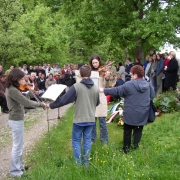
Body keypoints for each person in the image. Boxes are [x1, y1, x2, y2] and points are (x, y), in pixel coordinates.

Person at [45, 65, 100, 165]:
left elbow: (64, 100)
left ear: (80, 74)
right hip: (91, 119)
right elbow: (97, 103)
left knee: (76, 141)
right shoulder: (96, 88)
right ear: (90, 74)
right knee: (87, 141)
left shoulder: (77, 86)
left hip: (79, 119)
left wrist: (51, 105)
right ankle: (86, 163)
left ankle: (78, 164)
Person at [99, 65, 155, 153]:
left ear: (136, 75)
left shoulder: (129, 84)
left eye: (132, 74)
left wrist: (104, 90)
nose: (131, 75)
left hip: (130, 113)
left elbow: (117, 91)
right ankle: (135, 147)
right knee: (138, 130)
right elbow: (152, 96)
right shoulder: (149, 85)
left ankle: (126, 149)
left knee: (127, 131)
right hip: (143, 113)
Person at [5, 68, 46, 178]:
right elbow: (26, 102)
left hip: (17, 119)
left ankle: (19, 165)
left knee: (20, 144)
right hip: (15, 119)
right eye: (22, 79)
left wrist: (29, 91)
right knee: (17, 146)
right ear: (16, 78)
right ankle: (15, 172)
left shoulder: (14, 88)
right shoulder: (12, 90)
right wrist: (41, 104)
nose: (24, 81)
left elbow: (23, 100)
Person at [89, 54, 110, 143]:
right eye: (93, 63)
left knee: (102, 121)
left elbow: (106, 86)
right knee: (92, 121)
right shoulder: (89, 72)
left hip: (101, 97)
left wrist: (107, 77)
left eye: (96, 62)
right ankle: (92, 139)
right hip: (92, 97)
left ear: (99, 62)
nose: (95, 65)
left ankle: (104, 140)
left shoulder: (103, 71)